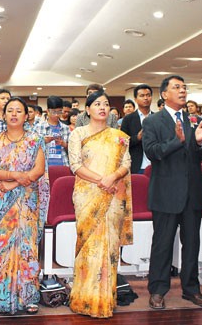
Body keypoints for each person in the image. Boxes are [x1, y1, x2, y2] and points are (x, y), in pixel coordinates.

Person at [142, 75, 202, 310]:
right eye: (177, 87)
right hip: (165, 192)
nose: (182, 91)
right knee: (162, 244)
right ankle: (158, 291)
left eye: (184, 87)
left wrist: (201, 143)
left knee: (192, 244)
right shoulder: (153, 122)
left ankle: (191, 289)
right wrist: (177, 140)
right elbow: (153, 152)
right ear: (164, 94)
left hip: (193, 192)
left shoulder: (195, 119)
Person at [68, 90, 133, 318]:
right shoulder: (78, 133)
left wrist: (113, 177)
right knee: (88, 247)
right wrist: (101, 179)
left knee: (110, 246)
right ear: (88, 109)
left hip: (113, 195)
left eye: (106, 104)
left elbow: (127, 162)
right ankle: (84, 300)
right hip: (87, 195)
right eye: (97, 104)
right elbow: (75, 165)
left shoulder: (119, 135)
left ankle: (105, 299)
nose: (102, 107)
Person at [0, 97, 49, 315]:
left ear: (25, 115)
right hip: (3, 207)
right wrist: (13, 176)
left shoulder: (35, 140)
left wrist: (11, 182)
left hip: (28, 203)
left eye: (18, 111)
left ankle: (28, 297)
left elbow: (38, 170)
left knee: (28, 248)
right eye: (9, 110)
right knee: (2, 248)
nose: (13, 114)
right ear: (3, 115)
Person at [121, 85, 153, 174]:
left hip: (156, 165)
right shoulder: (128, 119)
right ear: (135, 99)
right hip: (136, 165)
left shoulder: (158, 118)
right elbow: (122, 143)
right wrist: (137, 138)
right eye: (142, 96)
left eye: (148, 95)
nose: (146, 98)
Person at [33, 96, 70, 167]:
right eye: (53, 112)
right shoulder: (38, 127)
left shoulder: (66, 128)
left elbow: (72, 149)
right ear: (47, 111)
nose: (56, 115)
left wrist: (64, 144)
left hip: (63, 165)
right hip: (44, 166)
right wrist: (43, 141)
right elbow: (31, 147)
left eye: (59, 112)